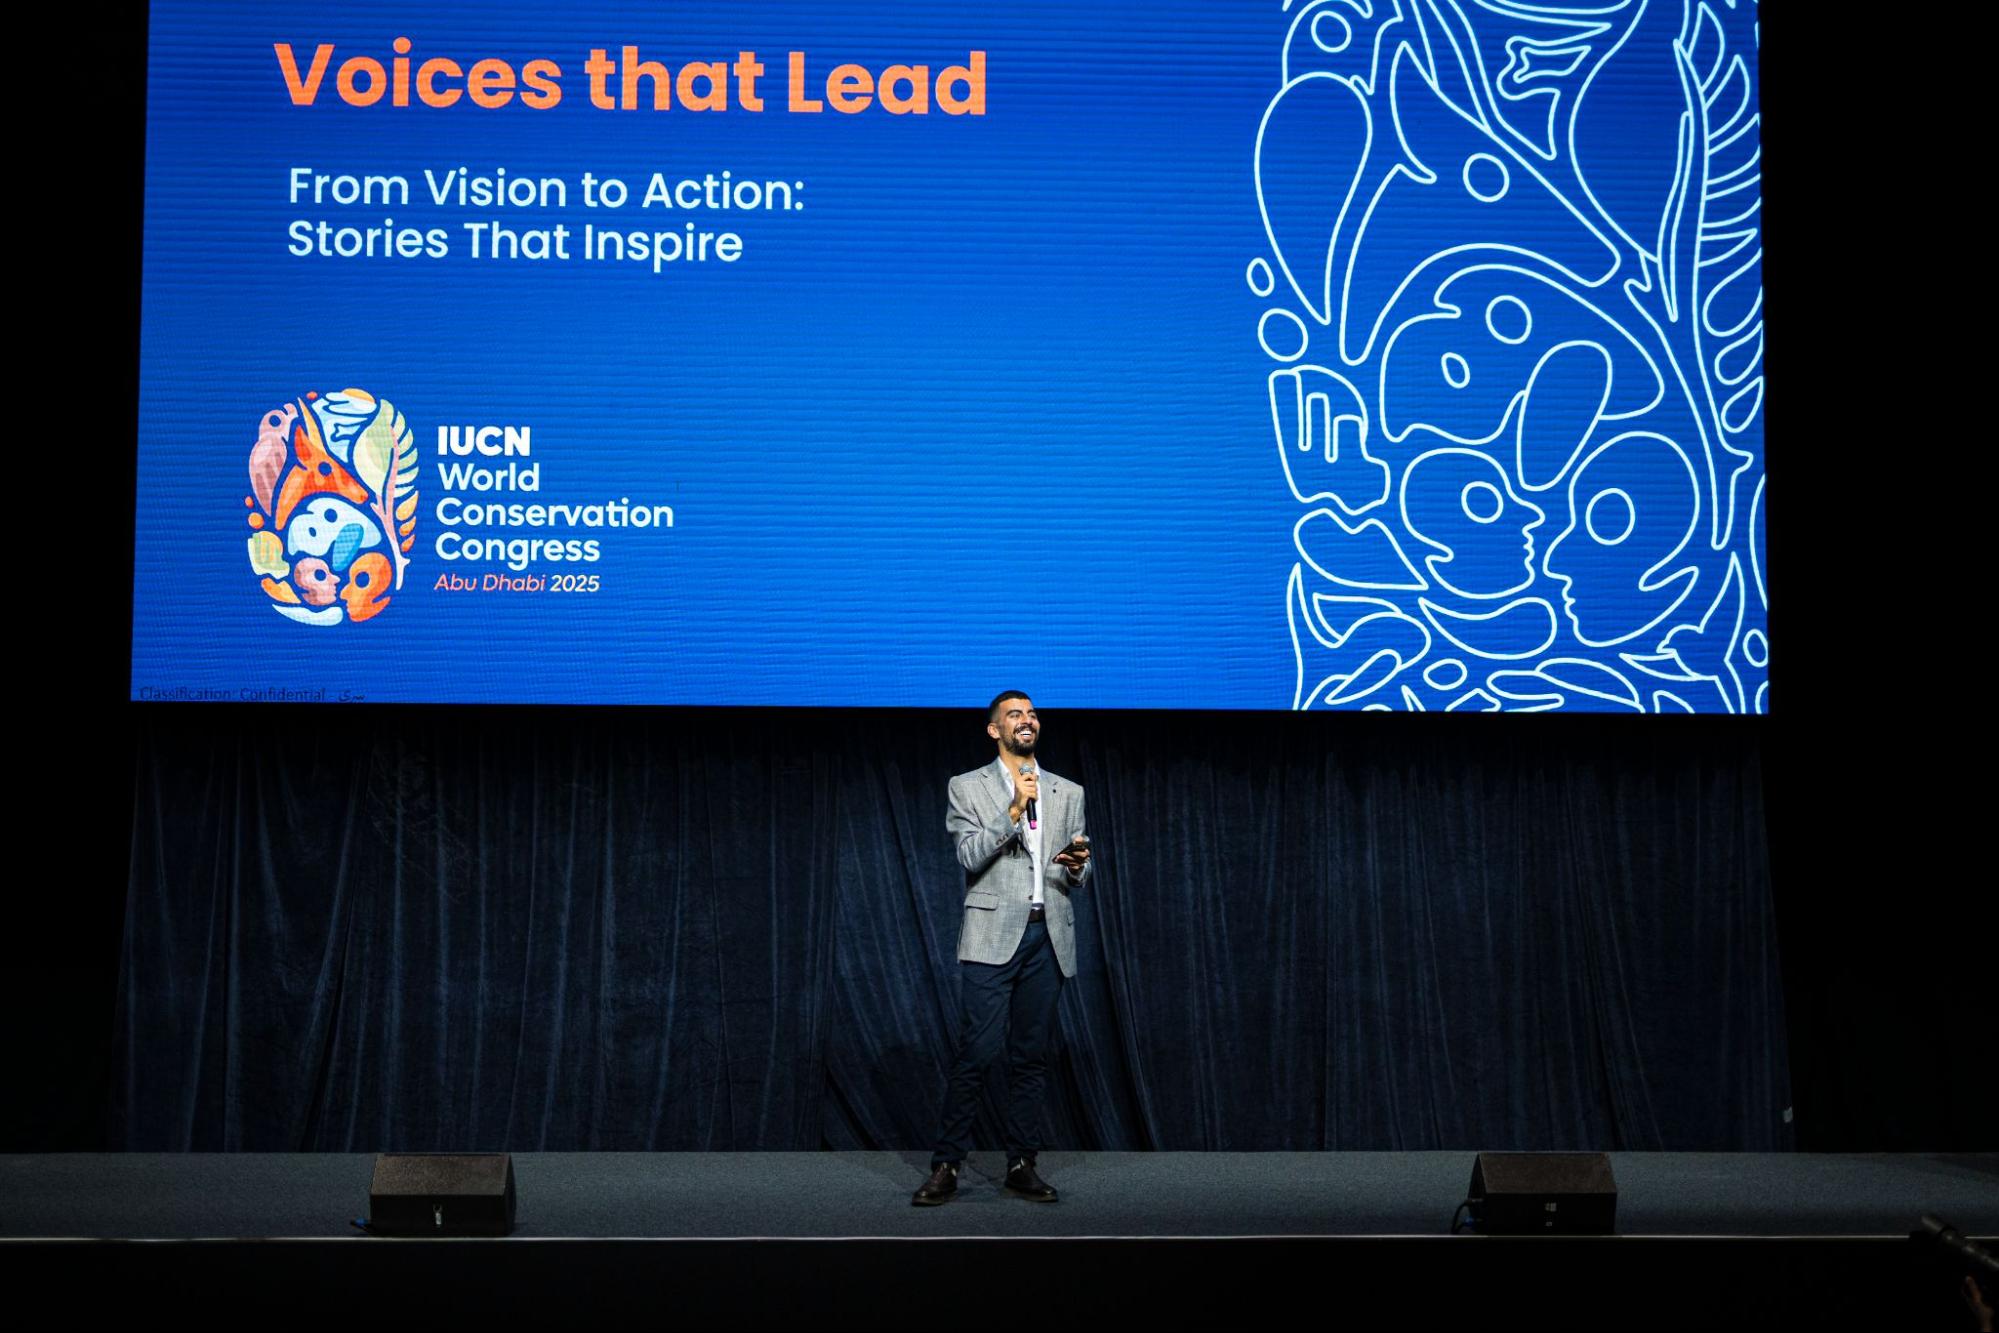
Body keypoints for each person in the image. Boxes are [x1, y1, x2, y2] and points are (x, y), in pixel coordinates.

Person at [912, 690, 1091, 1205]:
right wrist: (1013, 808)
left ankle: (1020, 1162)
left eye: (1032, 714)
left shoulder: (1066, 791)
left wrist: (1078, 864)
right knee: (977, 1052)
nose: (1027, 720)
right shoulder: (967, 787)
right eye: (1015, 715)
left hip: (1048, 933)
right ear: (995, 730)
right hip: (992, 936)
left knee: (1031, 1057)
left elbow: (1079, 866)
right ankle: (947, 1165)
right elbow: (970, 856)